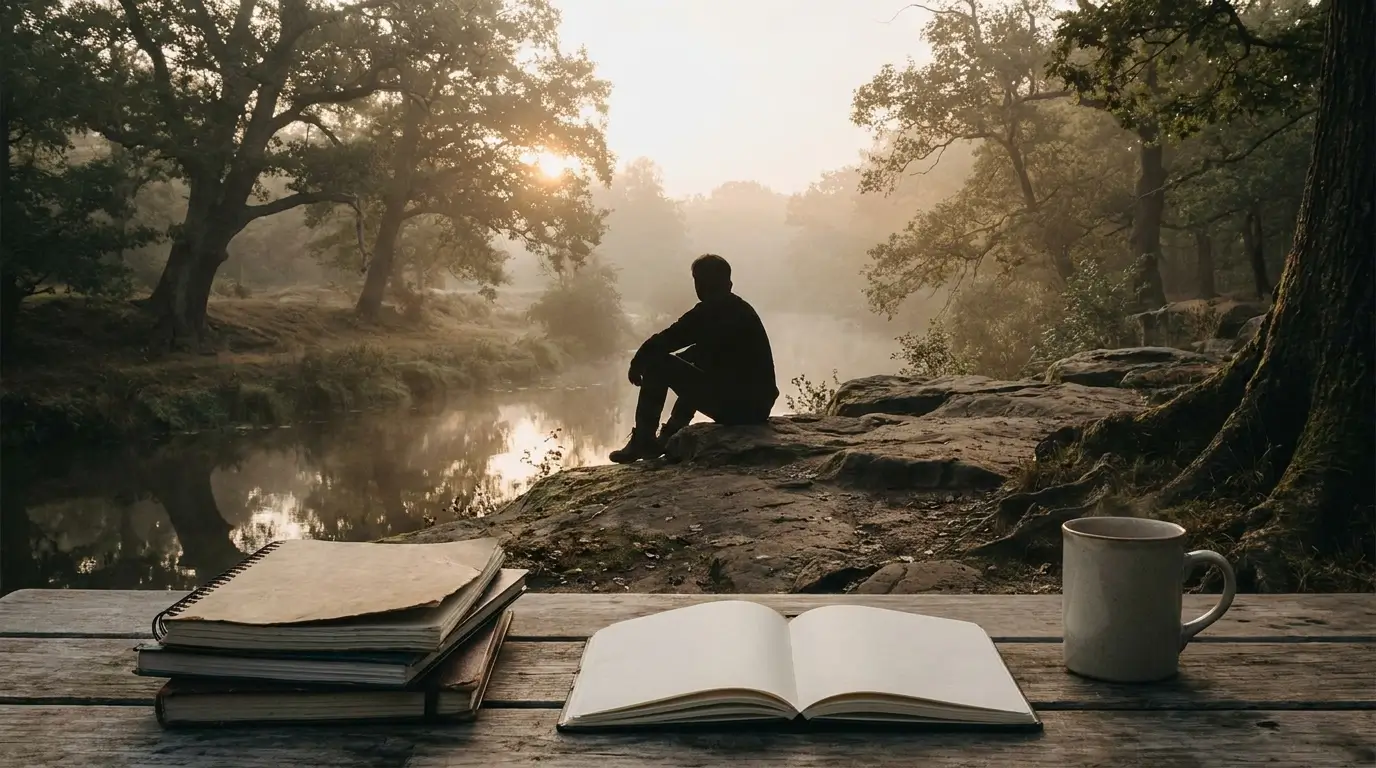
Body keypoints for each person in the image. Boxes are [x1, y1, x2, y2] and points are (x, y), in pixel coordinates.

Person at [609, 253, 778, 463]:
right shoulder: (741, 310)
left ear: (700, 284)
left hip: (738, 409)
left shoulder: (710, 311)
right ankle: (668, 435)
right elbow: (697, 364)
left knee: (657, 363)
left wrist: (638, 361)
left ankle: (644, 440)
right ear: (730, 282)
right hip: (757, 408)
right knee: (683, 364)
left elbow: (665, 341)